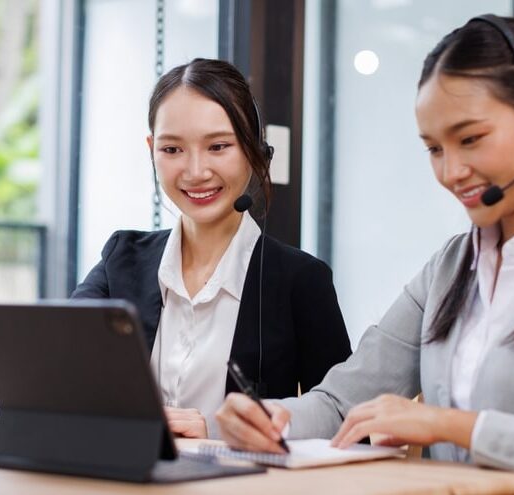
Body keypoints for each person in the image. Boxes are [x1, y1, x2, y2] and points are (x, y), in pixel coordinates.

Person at [215, 15, 514, 495]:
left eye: (470, 139)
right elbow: (341, 403)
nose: (452, 172)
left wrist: (456, 425)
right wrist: (274, 418)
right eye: (434, 148)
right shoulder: (451, 269)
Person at [72, 58, 352, 439]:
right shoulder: (122, 258)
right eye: (172, 150)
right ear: (152, 149)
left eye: (218, 146)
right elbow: (63, 368)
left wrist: (219, 437)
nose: (195, 171)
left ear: (254, 149)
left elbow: (344, 430)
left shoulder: (301, 281)